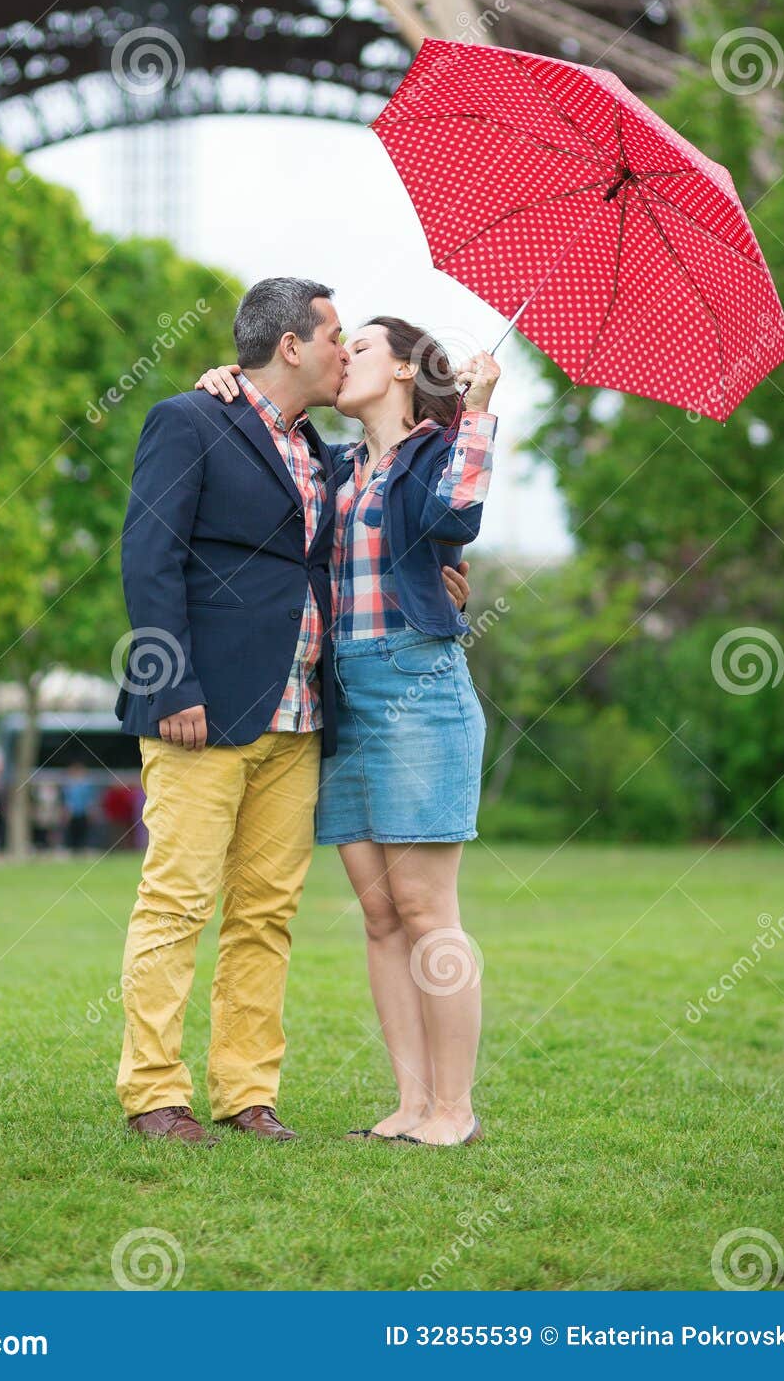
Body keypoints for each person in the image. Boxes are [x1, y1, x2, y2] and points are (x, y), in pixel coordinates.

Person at [113, 279, 470, 1148]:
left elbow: (411, 509)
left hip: (303, 720)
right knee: (176, 904)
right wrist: (172, 686)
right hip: (204, 708)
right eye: (335, 335)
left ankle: (246, 1094)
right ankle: (156, 1093)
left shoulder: (324, 454)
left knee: (264, 915)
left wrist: (447, 572)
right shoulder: (190, 420)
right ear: (290, 348)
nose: (345, 349)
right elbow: (147, 556)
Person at [196, 315, 499, 1147]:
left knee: (428, 910)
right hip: (345, 697)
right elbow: (264, 453)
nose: (341, 354)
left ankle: (453, 1110)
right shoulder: (334, 467)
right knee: (378, 914)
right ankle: (409, 1104)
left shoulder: (437, 449)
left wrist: (475, 410)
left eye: (359, 345)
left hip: (418, 686)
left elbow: (457, 519)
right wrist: (229, 381)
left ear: (403, 369)